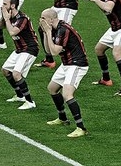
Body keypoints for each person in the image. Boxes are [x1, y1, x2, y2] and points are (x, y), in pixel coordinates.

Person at [38, 8, 89, 138]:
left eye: (43, 18)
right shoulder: (53, 29)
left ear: (51, 19)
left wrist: (48, 32)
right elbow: (48, 51)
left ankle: (81, 128)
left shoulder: (63, 29)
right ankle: (62, 118)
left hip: (77, 64)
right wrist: (45, 33)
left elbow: (55, 52)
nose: (41, 20)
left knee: (67, 94)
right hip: (67, 63)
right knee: (52, 88)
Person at [83, 0, 121, 96]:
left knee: (116, 54)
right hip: (114, 28)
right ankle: (106, 79)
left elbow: (108, 8)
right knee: (99, 49)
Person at [35, 0, 78, 68]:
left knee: (62, 31)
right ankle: (49, 59)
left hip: (68, 7)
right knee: (42, 27)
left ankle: (70, 59)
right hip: (58, 6)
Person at [0, 0, 39, 110]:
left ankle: (30, 101)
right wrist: (4, 17)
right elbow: (0, 26)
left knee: (16, 74)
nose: (2, 6)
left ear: (13, 6)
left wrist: (7, 18)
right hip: (20, 49)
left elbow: (12, 32)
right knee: (6, 70)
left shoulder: (22, 19)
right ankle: (20, 95)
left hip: (29, 49)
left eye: (5, 4)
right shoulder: (10, 16)